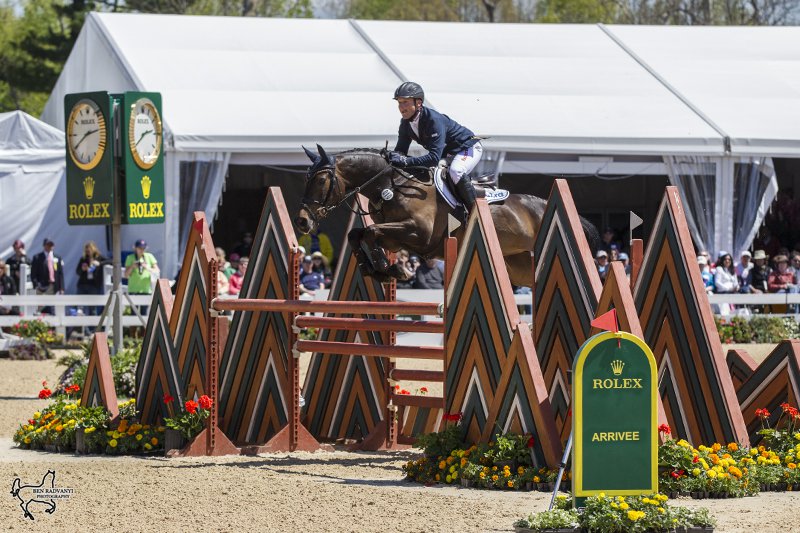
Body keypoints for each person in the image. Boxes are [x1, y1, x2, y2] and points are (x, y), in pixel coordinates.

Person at [386, 81, 482, 211]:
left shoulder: (433, 120)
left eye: (405, 102)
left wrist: (405, 161)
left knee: (456, 171)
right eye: (399, 102)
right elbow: (400, 151)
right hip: (448, 153)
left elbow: (433, 158)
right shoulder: (405, 123)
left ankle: (475, 214)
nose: (401, 107)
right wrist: (389, 157)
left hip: (468, 147)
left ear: (418, 103)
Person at [124, 239, 158, 315]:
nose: (141, 250)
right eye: (139, 248)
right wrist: (132, 266)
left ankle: (143, 327)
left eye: (143, 248)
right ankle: (133, 327)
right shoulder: (130, 257)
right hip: (133, 290)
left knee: (144, 314)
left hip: (146, 290)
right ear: (135, 248)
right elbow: (126, 275)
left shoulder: (149, 256)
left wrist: (147, 267)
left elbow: (157, 271)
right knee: (133, 314)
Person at [30, 238, 64, 314]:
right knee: (40, 307)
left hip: (53, 285)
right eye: (48, 245)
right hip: (41, 286)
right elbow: (33, 273)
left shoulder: (57, 258)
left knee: (52, 307)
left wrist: (61, 287)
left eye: (51, 245)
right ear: (44, 246)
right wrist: (36, 285)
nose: (50, 246)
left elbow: (60, 274)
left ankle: (52, 325)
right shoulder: (37, 257)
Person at [76, 241, 107, 316]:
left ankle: (92, 327)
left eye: (89, 250)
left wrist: (99, 263)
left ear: (94, 249)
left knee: (92, 308)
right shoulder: (83, 259)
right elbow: (77, 272)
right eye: (86, 251)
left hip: (93, 285)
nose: (88, 252)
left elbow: (111, 261)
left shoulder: (99, 258)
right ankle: (81, 326)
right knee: (80, 308)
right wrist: (82, 269)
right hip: (83, 284)